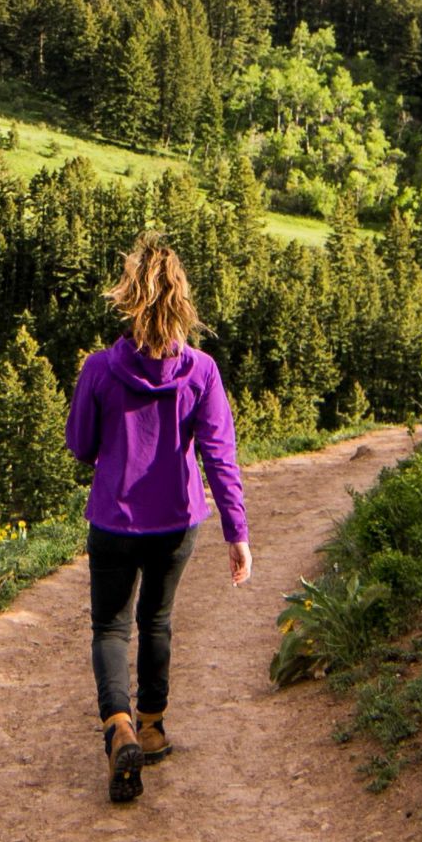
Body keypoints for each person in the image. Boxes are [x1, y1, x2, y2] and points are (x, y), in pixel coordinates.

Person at [63, 232, 249, 804]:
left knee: (111, 627)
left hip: (114, 519)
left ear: (129, 297)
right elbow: (219, 455)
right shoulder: (202, 372)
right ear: (181, 302)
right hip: (176, 520)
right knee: (157, 621)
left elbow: (80, 445)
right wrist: (236, 531)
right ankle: (151, 725)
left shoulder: (99, 369)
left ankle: (116, 725)